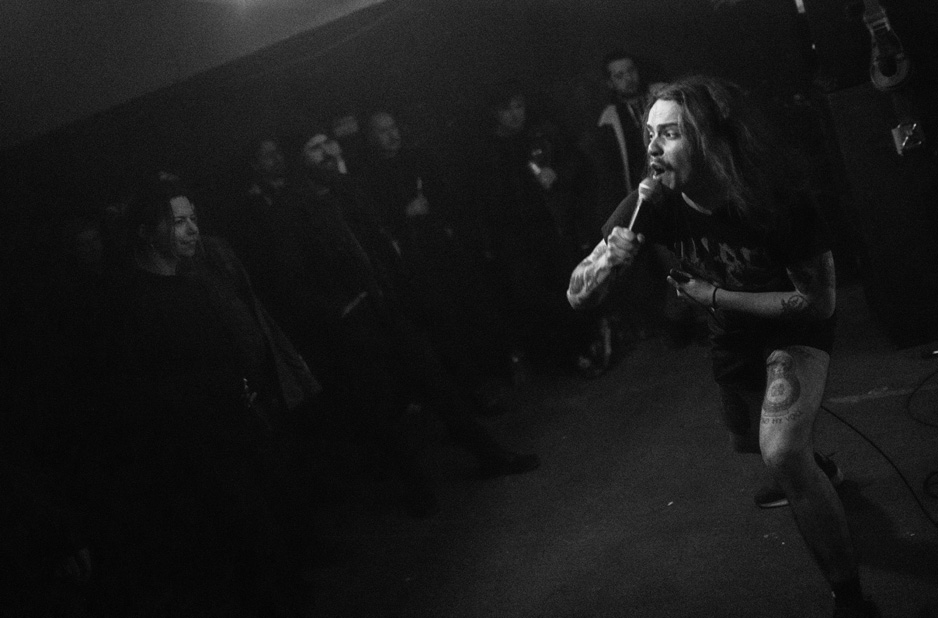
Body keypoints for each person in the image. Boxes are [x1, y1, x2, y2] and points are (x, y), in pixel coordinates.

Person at [566, 75, 878, 618]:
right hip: (732, 333)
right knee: (750, 442)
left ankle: (851, 599)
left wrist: (713, 295)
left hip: (791, 327)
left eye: (670, 134)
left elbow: (818, 303)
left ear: (710, 139)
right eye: (649, 135)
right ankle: (820, 469)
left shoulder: (773, 198)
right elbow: (576, 296)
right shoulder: (652, 202)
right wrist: (608, 263)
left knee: (781, 452)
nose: (653, 148)